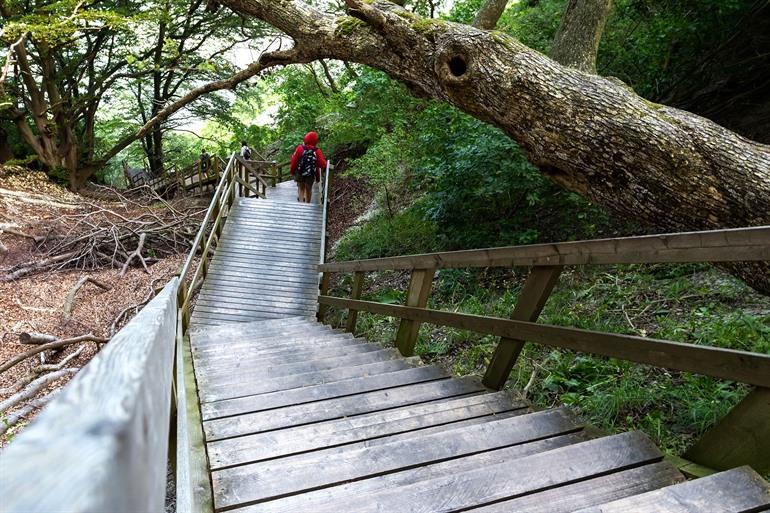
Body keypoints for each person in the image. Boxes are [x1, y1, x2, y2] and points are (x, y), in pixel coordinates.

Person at [290, 131, 326, 203]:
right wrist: (318, 177)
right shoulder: (317, 151)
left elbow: (294, 161)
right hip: (310, 174)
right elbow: (322, 164)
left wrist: (292, 171)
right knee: (309, 189)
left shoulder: (300, 148)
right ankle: (307, 205)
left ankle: (301, 203)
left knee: (301, 188)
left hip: (300, 173)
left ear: (306, 139)